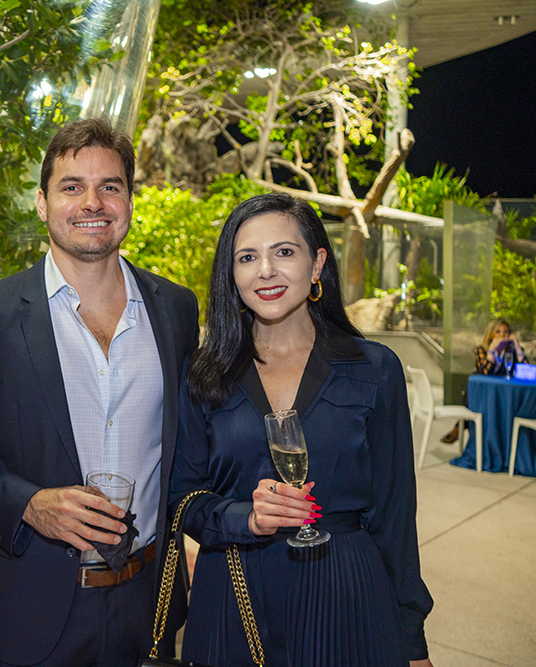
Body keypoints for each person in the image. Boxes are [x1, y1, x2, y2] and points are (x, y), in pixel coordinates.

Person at [0, 118, 199, 667]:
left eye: (110, 186)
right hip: (28, 608)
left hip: (148, 604)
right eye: (72, 187)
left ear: (130, 200)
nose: (93, 202)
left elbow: (187, 448)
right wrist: (29, 504)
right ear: (42, 203)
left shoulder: (177, 310)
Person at [170, 193, 434, 667]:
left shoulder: (374, 368)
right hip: (234, 594)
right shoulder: (204, 373)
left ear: (317, 265)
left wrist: (411, 643)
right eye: (247, 257)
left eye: (284, 252)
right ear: (231, 275)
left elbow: (395, 516)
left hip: (345, 592)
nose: (265, 270)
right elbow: (180, 499)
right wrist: (242, 517)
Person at [441, 318, 528, 442]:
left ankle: (459, 426)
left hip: (501, 391)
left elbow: (525, 369)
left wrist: (518, 347)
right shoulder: (481, 349)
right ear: (491, 334)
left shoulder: (511, 352)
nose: (502, 335)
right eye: (498, 331)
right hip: (479, 390)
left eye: (506, 332)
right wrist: (492, 350)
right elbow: (486, 371)